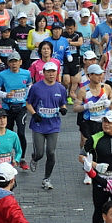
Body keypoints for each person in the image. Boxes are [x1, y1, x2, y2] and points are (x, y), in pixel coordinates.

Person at [26, 60, 68, 189]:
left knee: (51, 152)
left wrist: (63, 109)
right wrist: (34, 114)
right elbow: (28, 103)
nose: (51, 74)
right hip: (39, 125)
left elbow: (62, 103)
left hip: (53, 125)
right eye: (48, 72)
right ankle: (34, 158)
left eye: (53, 72)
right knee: (40, 153)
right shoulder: (36, 88)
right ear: (43, 73)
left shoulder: (61, 88)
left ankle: (46, 178)